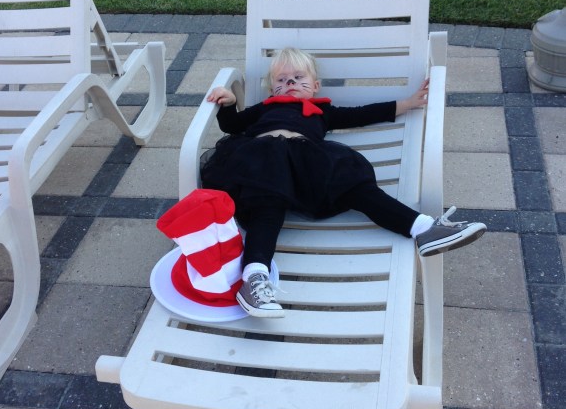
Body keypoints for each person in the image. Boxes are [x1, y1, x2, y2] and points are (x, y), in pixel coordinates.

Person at [202, 47, 486, 318]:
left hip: (307, 162)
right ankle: (254, 278)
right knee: (266, 207)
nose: (289, 83)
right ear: (271, 88)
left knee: (354, 186)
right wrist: (229, 103)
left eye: (298, 77)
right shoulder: (264, 107)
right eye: (281, 79)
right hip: (263, 163)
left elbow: (362, 114)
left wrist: (408, 103)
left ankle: (423, 228)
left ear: (315, 86)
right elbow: (232, 126)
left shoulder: (323, 111)